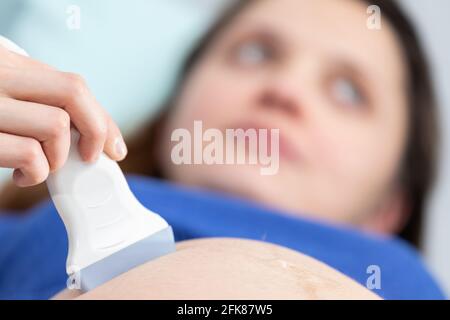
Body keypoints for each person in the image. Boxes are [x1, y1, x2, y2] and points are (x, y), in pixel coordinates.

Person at [0, 0, 443, 299]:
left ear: (388, 208)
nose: (285, 89)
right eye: (254, 53)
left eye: (349, 91)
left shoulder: (410, 281)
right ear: (175, 109)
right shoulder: (19, 230)